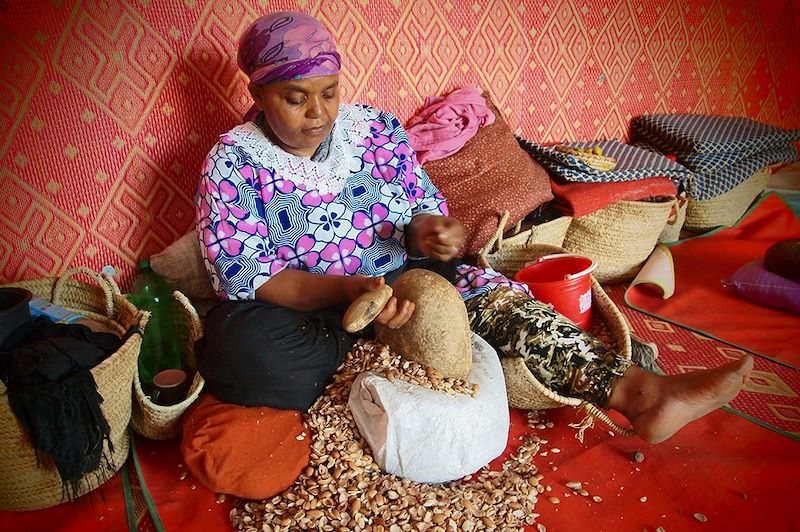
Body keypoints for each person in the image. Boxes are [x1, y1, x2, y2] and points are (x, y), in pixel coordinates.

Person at [195, 11, 753, 445]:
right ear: (257, 95)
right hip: (315, 307)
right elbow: (256, 279)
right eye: (295, 98)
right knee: (235, 345)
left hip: (411, 281)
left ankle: (639, 392)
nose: (318, 112)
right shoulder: (233, 162)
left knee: (492, 297)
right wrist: (345, 291)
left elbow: (418, 209)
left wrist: (429, 233)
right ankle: (386, 359)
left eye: (329, 92)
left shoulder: (374, 130)